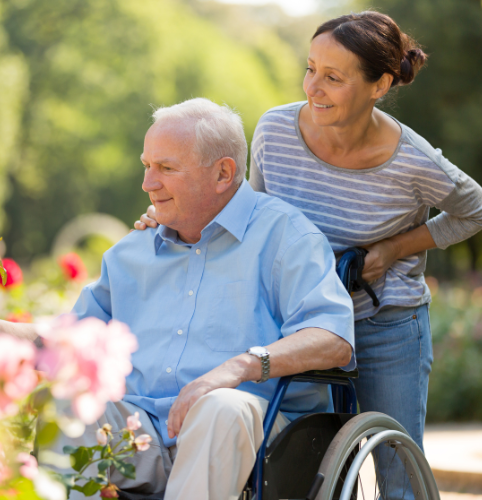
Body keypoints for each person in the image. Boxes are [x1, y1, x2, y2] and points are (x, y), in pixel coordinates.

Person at [135, 11, 482, 496]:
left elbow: (477, 211)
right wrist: (172, 213)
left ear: (380, 83)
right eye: (310, 69)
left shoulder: (413, 160)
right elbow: (248, 211)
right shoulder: (276, 131)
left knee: (396, 471)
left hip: (382, 316)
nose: (313, 87)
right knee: (289, 459)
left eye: (333, 77)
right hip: (294, 316)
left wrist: (393, 249)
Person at [2, 98, 355, 499]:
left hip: (257, 440)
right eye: (147, 166)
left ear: (223, 173)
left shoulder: (286, 237)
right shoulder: (130, 253)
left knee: (222, 406)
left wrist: (238, 367)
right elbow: (72, 337)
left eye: (166, 168)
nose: (148, 183)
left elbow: (333, 339)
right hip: (142, 434)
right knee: (59, 402)